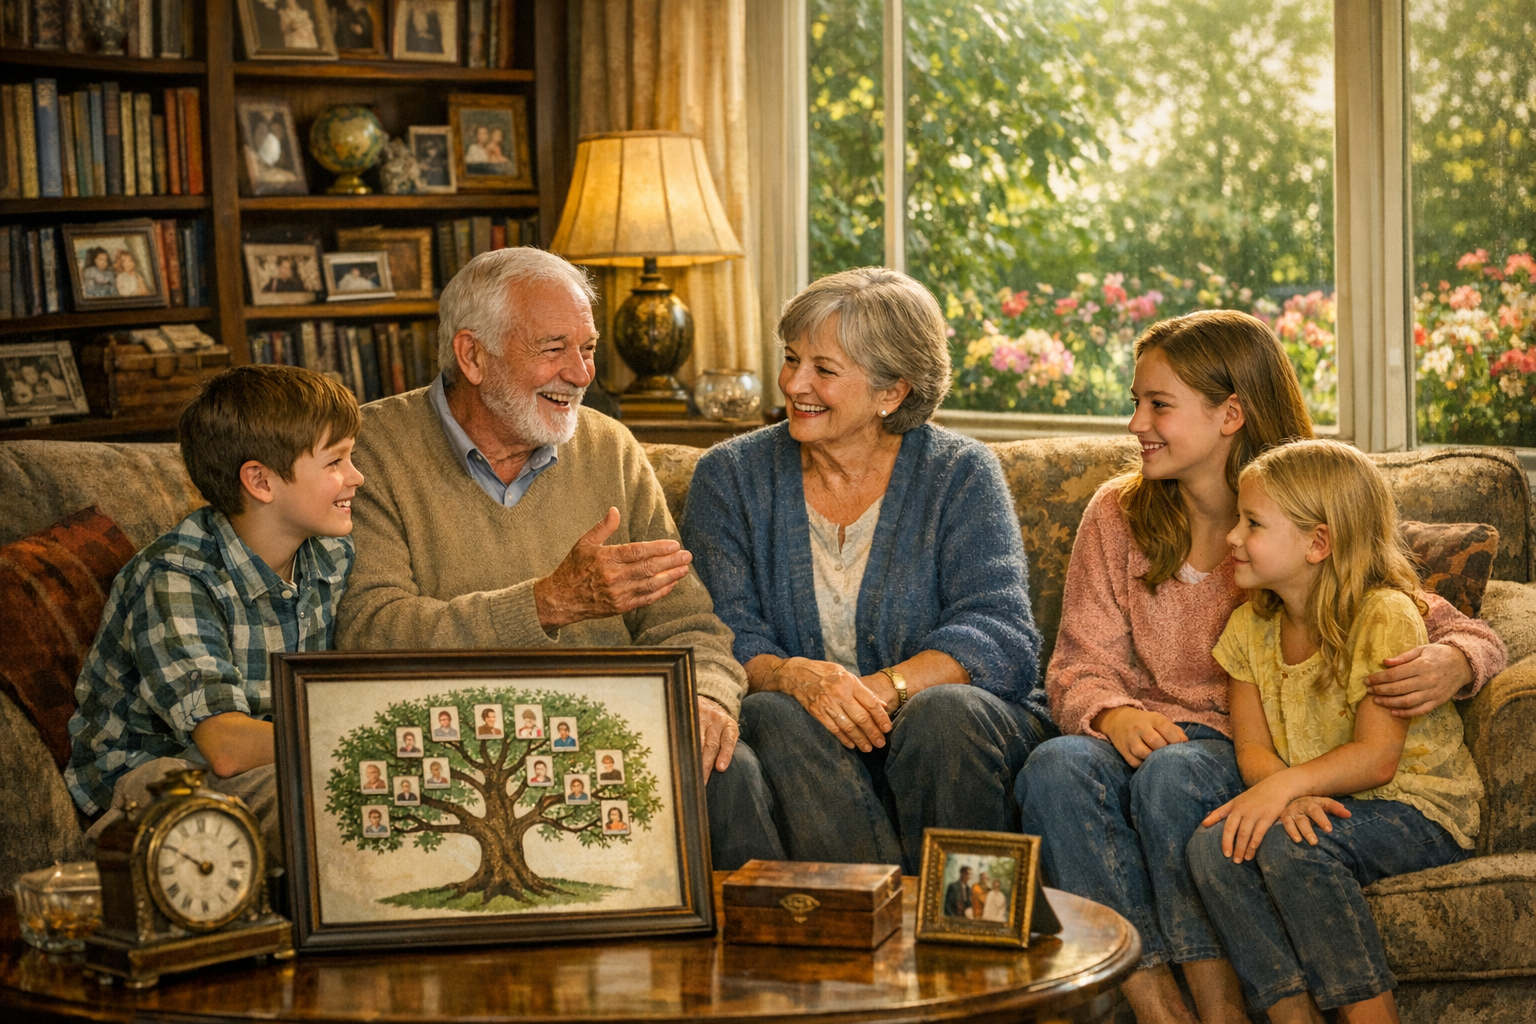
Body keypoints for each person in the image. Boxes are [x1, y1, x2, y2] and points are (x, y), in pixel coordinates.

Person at [1015, 310, 1506, 1024]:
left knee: (1175, 775)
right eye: (1136, 400)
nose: (1134, 423)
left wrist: (1456, 662)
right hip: (1140, 737)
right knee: (1053, 769)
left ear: (1230, 414)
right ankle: (1155, 1006)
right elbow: (1076, 664)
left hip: (1237, 751)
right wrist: (1112, 713)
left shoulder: (1298, 502)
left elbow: (1433, 617)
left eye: (1157, 404)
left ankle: (1220, 1007)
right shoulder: (1114, 515)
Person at [334, 246, 778, 870]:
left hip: (612, 738)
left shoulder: (609, 449)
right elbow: (369, 632)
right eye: (553, 349)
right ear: (472, 356)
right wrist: (546, 604)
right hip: (458, 748)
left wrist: (706, 697)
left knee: (732, 770)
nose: (581, 373)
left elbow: (689, 624)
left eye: (588, 348)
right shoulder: (369, 452)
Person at [682, 267, 1047, 873]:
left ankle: (963, 927)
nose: (795, 383)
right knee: (773, 710)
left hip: (949, 736)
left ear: (892, 393)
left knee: (943, 713)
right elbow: (724, 630)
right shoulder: (731, 476)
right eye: (792, 358)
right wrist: (794, 676)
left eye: (823, 370)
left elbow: (1000, 635)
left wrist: (877, 692)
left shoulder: (960, 474)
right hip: (801, 741)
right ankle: (876, 918)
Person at [1187, 440, 1483, 1022]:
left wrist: (1283, 793)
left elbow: (1377, 759)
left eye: (1252, 523)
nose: (1232, 537)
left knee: (1294, 846)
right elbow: (1251, 746)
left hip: (1419, 808)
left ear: (1317, 543)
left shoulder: (1383, 615)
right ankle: (1290, 1013)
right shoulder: (1249, 626)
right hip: (1325, 799)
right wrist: (1283, 794)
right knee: (1211, 848)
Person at [65, 365, 364, 866]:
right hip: (151, 778)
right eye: (336, 461)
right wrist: (361, 737)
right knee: (325, 799)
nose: (357, 477)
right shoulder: (177, 577)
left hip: (269, 755)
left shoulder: (331, 555)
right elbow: (224, 745)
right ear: (260, 481)